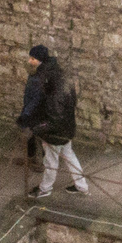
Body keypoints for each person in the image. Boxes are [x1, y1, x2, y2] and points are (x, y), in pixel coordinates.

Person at [20, 44, 89, 199]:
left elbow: (53, 119)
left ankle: (45, 188)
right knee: (69, 155)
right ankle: (82, 186)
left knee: (50, 161)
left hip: (55, 133)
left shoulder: (52, 93)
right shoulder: (60, 76)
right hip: (66, 127)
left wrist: (36, 129)